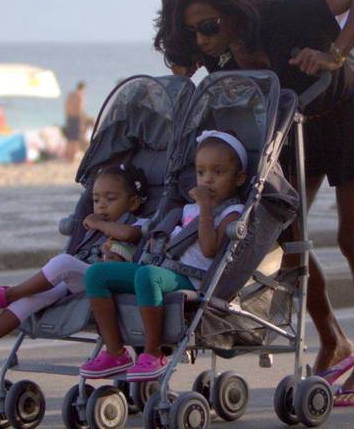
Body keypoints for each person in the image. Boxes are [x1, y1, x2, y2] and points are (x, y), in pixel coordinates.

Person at [154, 0, 354, 405]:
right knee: (282, 232)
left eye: (209, 26)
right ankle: (333, 340)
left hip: (348, 115)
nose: (203, 39)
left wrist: (336, 52)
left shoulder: (285, 13)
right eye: (192, 32)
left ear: (231, 10)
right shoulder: (209, 49)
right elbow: (182, 77)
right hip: (293, 129)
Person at [80, 131, 247, 380]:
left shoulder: (232, 212)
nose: (208, 180)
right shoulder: (187, 208)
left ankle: (153, 351)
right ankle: (115, 351)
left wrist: (205, 210)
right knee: (96, 274)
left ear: (240, 178)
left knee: (148, 276)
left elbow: (209, 249)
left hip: (193, 278)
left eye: (218, 173)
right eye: (201, 173)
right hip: (164, 267)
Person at [0, 165, 149, 365]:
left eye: (111, 199)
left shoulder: (138, 223)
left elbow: (128, 235)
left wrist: (99, 225)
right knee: (32, 297)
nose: (102, 206)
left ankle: (8, 294)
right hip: (81, 279)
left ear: (132, 203)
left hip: (108, 282)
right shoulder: (94, 228)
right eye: (96, 200)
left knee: (63, 262)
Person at [64, 81, 87, 162]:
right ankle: (72, 158)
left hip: (70, 117)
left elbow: (66, 106)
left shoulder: (71, 95)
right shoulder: (80, 96)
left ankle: (67, 156)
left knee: (70, 138)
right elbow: (80, 109)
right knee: (75, 139)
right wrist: (82, 122)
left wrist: (67, 117)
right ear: (83, 88)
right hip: (76, 118)